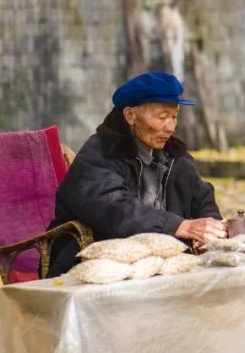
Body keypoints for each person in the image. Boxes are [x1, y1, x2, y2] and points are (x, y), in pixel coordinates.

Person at [46, 72, 226, 278]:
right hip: (94, 270)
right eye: (162, 117)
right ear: (130, 115)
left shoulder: (175, 155)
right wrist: (180, 226)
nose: (171, 127)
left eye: (174, 116)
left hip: (164, 268)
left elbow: (202, 199)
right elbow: (116, 209)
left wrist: (209, 231)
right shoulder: (100, 154)